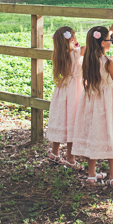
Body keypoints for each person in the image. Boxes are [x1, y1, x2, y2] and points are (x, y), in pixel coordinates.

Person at [72, 25, 113, 187]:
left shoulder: (87, 60)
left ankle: (91, 175)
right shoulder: (107, 62)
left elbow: (99, 69)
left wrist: (112, 59)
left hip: (91, 101)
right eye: (108, 39)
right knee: (110, 133)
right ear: (102, 44)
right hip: (107, 102)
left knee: (92, 133)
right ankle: (112, 176)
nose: (110, 41)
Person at [46, 26, 83, 168]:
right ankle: (70, 159)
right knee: (72, 122)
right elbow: (93, 46)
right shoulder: (76, 53)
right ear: (72, 39)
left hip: (62, 90)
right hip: (74, 91)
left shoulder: (59, 54)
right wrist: (109, 31)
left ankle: (55, 153)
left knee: (62, 120)